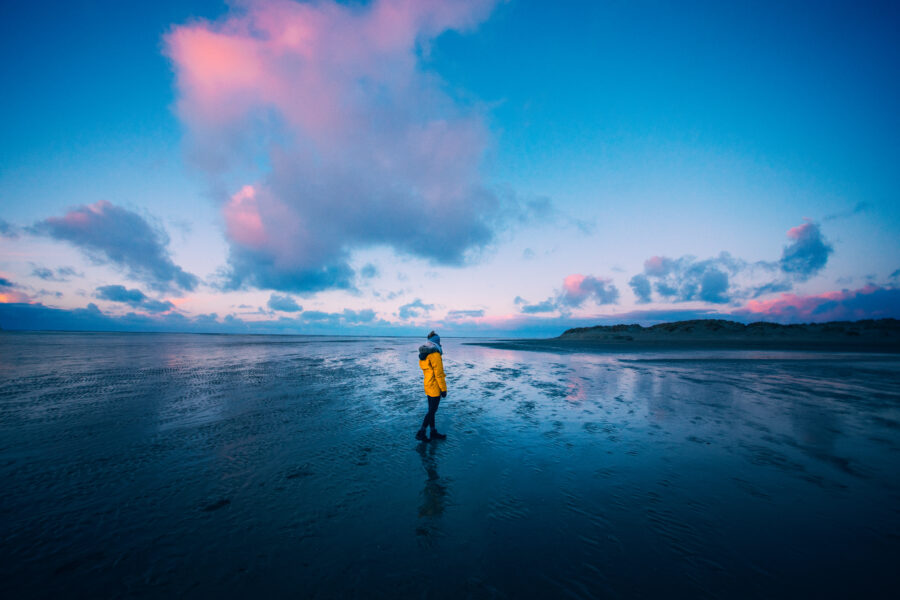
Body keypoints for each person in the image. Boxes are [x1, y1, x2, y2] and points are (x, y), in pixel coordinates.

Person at [416, 331, 447, 442]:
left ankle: (433, 431)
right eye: (439, 341)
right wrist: (443, 389)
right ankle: (421, 432)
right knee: (432, 411)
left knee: (431, 410)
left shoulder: (424, 354)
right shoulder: (435, 354)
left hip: (428, 384)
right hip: (435, 386)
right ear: (436, 342)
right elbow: (439, 374)